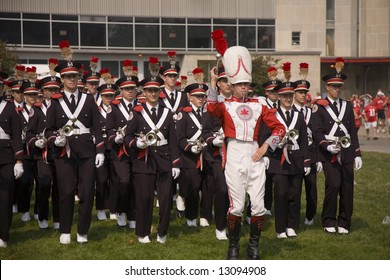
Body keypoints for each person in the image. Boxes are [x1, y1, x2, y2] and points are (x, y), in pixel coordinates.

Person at [207, 37, 285, 259]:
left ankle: (253, 246)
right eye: (240, 84)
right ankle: (233, 247)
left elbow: (280, 129)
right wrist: (212, 83)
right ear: (231, 85)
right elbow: (211, 108)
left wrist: (266, 146)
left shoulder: (260, 104)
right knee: (237, 205)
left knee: (259, 205)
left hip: (254, 153)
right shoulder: (224, 105)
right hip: (233, 153)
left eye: (247, 84)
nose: (244, 88)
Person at [45, 41, 105, 244]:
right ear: (62, 79)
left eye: (75, 76)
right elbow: (49, 130)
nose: (72, 79)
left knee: (87, 193)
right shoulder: (55, 101)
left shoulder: (89, 100)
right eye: (68, 76)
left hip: (87, 152)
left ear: (79, 78)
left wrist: (100, 151)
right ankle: (64, 229)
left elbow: (97, 127)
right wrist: (56, 141)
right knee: (66, 191)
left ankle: (82, 231)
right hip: (64, 154)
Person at [124, 76, 181, 244]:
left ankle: (162, 232)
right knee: (144, 198)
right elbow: (127, 136)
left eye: (156, 90)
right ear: (144, 92)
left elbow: (173, 139)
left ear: (160, 92)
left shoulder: (166, 112)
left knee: (165, 201)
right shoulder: (137, 111)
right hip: (144, 159)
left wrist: (175, 163)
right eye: (149, 90)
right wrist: (136, 143)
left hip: (164, 158)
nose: (153, 93)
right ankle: (143, 232)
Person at [311, 57, 362, 235]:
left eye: (339, 86)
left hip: (347, 150)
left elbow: (352, 131)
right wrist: (327, 146)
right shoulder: (319, 106)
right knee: (333, 185)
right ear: (327, 87)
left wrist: (357, 153)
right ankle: (328, 220)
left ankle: (344, 222)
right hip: (329, 151)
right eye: (333, 86)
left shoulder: (347, 106)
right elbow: (316, 131)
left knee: (347, 187)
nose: (336, 89)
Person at [266, 80, 311, 238]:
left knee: (295, 194)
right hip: (278, 161)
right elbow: (263, 137)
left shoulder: (299, 115)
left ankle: (292, 225)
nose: (288, 98)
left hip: (296, 160)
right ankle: (280, 229)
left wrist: (306, 161)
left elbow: (304, 140)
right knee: (280, 195)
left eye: (290, 95)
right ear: (278, 96)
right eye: (284, 95)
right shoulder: (271, 114)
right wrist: (275, 144)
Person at [26, 76, 61, 230]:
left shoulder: (63, 106)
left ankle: (58, 217)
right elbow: (30, 133)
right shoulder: (37, 109)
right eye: (49, 89)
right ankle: (42, 215)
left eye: (55, 89)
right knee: (45, 183)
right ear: (43, 91)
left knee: (60, 186)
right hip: (43, 153)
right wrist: (36, 142)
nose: (53, 92)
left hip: (60, 150)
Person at [200, 67, 230, 240]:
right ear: (218, 83)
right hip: (217, 153)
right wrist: (214, 140)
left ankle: (233, 219)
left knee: (236, 190)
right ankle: (220, 226)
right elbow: (206, 130)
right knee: (222, 189)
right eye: (224, 80)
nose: (228, 84)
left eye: (230, 81)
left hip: (236, 152)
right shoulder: (211, 102)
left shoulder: (238, 101)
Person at [106, 73, 139, 227]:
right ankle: (120, 210)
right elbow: (109, 129)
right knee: (124, 181)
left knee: (135, 183)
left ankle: (132, 215)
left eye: (132, 88)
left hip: (138, 150)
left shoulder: (142, 106)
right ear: (121, 90)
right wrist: (116, 138)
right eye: (126, 89)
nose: (130, 91)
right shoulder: (113, 106)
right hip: (120, 151)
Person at [176, 83, 208, 227]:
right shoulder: (184, 113)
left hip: (206, 154)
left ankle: (205, 215)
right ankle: (191, 217)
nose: (201, 99)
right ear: (190, 98)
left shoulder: (208, 113)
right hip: (189, 156)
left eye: (203, 96)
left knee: (207, 187)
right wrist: (190, 148)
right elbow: (180, 138)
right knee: (193, 187)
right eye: (197, 96)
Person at [292, 75, 322, 227]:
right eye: (300, 92)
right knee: (294, 190)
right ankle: (293, 219)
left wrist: (318, 158)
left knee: (312, 190)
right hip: (295, 154)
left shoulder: (312, 111)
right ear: (294, 94)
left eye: (305, 92)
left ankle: (310, 216)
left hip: (311, 153)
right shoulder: (289, 111)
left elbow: (317, 134)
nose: (303, 95)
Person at [0, 72, 24, 248]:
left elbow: (16, 136)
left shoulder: (9, 108)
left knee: (5, 197)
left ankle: (3, 234)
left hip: (6, 157)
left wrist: (19, 161)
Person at [95, 82, 117, 221]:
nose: (109, 98)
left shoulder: (116, 110)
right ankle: (101, 208)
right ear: (101, 96)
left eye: (111, 95)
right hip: (100, 149)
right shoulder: (95, 110)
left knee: (115, 180)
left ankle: (114, 209)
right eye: (106, 95)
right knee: (101, 180)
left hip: (114, 149)